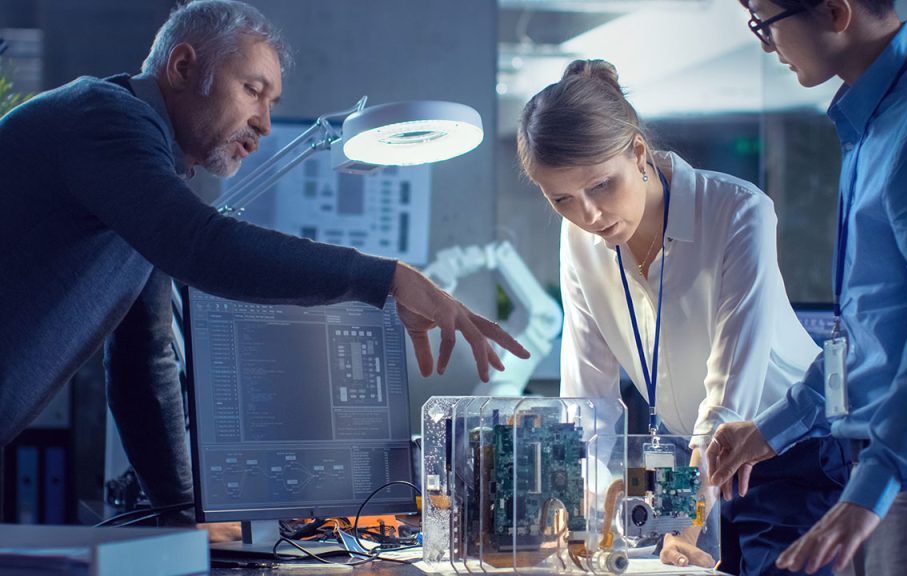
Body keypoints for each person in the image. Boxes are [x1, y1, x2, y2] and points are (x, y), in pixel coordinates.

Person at [0, 0, 527, 535]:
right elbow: (201, 247)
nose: (266, 123)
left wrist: (185, 519)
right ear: (183, 68)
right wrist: (390, 278)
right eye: (253, 90)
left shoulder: (143, 178)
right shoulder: (104, 119)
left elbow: (145, 362)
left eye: (272, 101)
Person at [706, 1, 907, 574]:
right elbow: (864, 336)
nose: (763, 43)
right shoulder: (876, 120)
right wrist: (773, 429)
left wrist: (871, 488)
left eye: (764, 20)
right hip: (893, 471)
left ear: (834, 11)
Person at [517, 59, 851, 575]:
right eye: (561, 199)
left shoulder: (738, 211)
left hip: (791, 453)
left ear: (637, 152)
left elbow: (727, 402)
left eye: (602, 186)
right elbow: (587, 398)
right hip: (688, 466)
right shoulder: (580, 238)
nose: (588, 215)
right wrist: (586, 526)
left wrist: (685, 528)